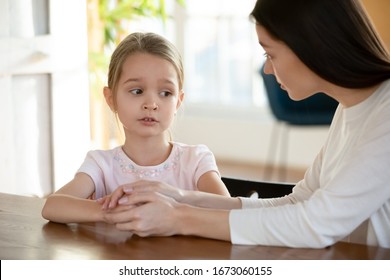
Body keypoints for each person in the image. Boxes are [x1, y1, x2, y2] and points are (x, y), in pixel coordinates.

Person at [101, 0, 390, 248]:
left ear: (311, 46)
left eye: (270, 53)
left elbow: (315, 223)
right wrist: (184, 198)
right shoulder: (350, 108)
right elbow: (297, 201)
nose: (266, 68)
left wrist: (178, 218)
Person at [41, 32, 230, 224]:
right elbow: (52, 206)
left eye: (165, 93)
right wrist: (111, 212)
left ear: (178, 102)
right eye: (137, 91)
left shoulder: (196, 161)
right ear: (111, 98)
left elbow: (229, 210)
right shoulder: (101, 164)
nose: (151, 104)